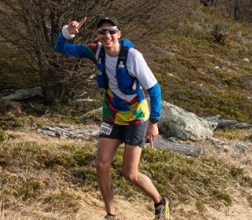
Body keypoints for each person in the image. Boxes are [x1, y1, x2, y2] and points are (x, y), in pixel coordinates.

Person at [54, 15, 172, 219]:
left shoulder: (133, 56)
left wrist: (154, 122)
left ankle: (161, 202)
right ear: (97, 35)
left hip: (136, 117)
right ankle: (111, 214)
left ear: (119, 34)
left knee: (130, 174)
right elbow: (61, 48)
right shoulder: (96, 51)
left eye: (111, 31)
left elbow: (154, 89)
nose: (107, 35)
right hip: (111, 115)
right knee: (101, 164)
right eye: (102, 31)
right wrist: (67, 32)